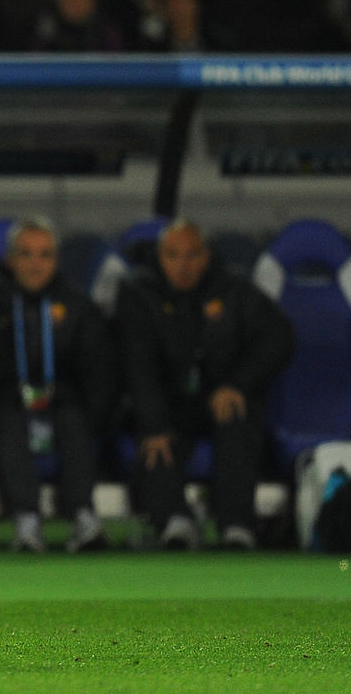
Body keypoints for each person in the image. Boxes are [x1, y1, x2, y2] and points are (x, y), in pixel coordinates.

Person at [114, 219, 294, 550]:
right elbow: (136, 366)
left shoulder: (234, 288)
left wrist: (238, 383)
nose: (183, 265)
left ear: (207, 256)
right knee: (153, 442)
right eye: (173, 255)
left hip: (220, 397)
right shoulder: (137, 292)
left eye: (192, 255)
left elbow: (279, 337)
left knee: (239, 418)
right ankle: (174, 521)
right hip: (167, 402)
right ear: (159, 256)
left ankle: (236, 525)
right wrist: (152, 423)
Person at [0, 218, 116, 552]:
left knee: (74, 416)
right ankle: (26, 520)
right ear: (10, 260)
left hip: (62, 404)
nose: (36, 264)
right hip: (2, 407)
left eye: (45, 255)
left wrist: (95, 416)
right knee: (9, 417)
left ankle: (83, 515)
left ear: (56, 261)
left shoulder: (78, 309)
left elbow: (99, 373)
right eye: (27, 254)